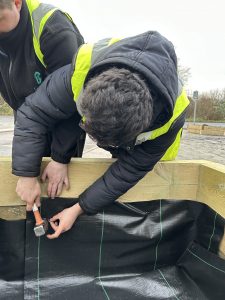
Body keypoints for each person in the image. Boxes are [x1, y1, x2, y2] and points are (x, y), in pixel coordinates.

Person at [12, 31, 190, 238]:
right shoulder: (84, 66)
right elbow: (33, 113)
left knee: (149, 194)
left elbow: (130, 169)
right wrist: (28, 175)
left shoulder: (173, 115)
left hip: (154, 151)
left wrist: (79, 208)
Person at [0, 0, 85, 206]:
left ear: (17, 3)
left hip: (64, 121)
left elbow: (74, 100)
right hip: (26, 118)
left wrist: (60, 158)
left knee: (59, 187)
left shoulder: (53, 29)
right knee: (28, 182)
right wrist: (26, 171)